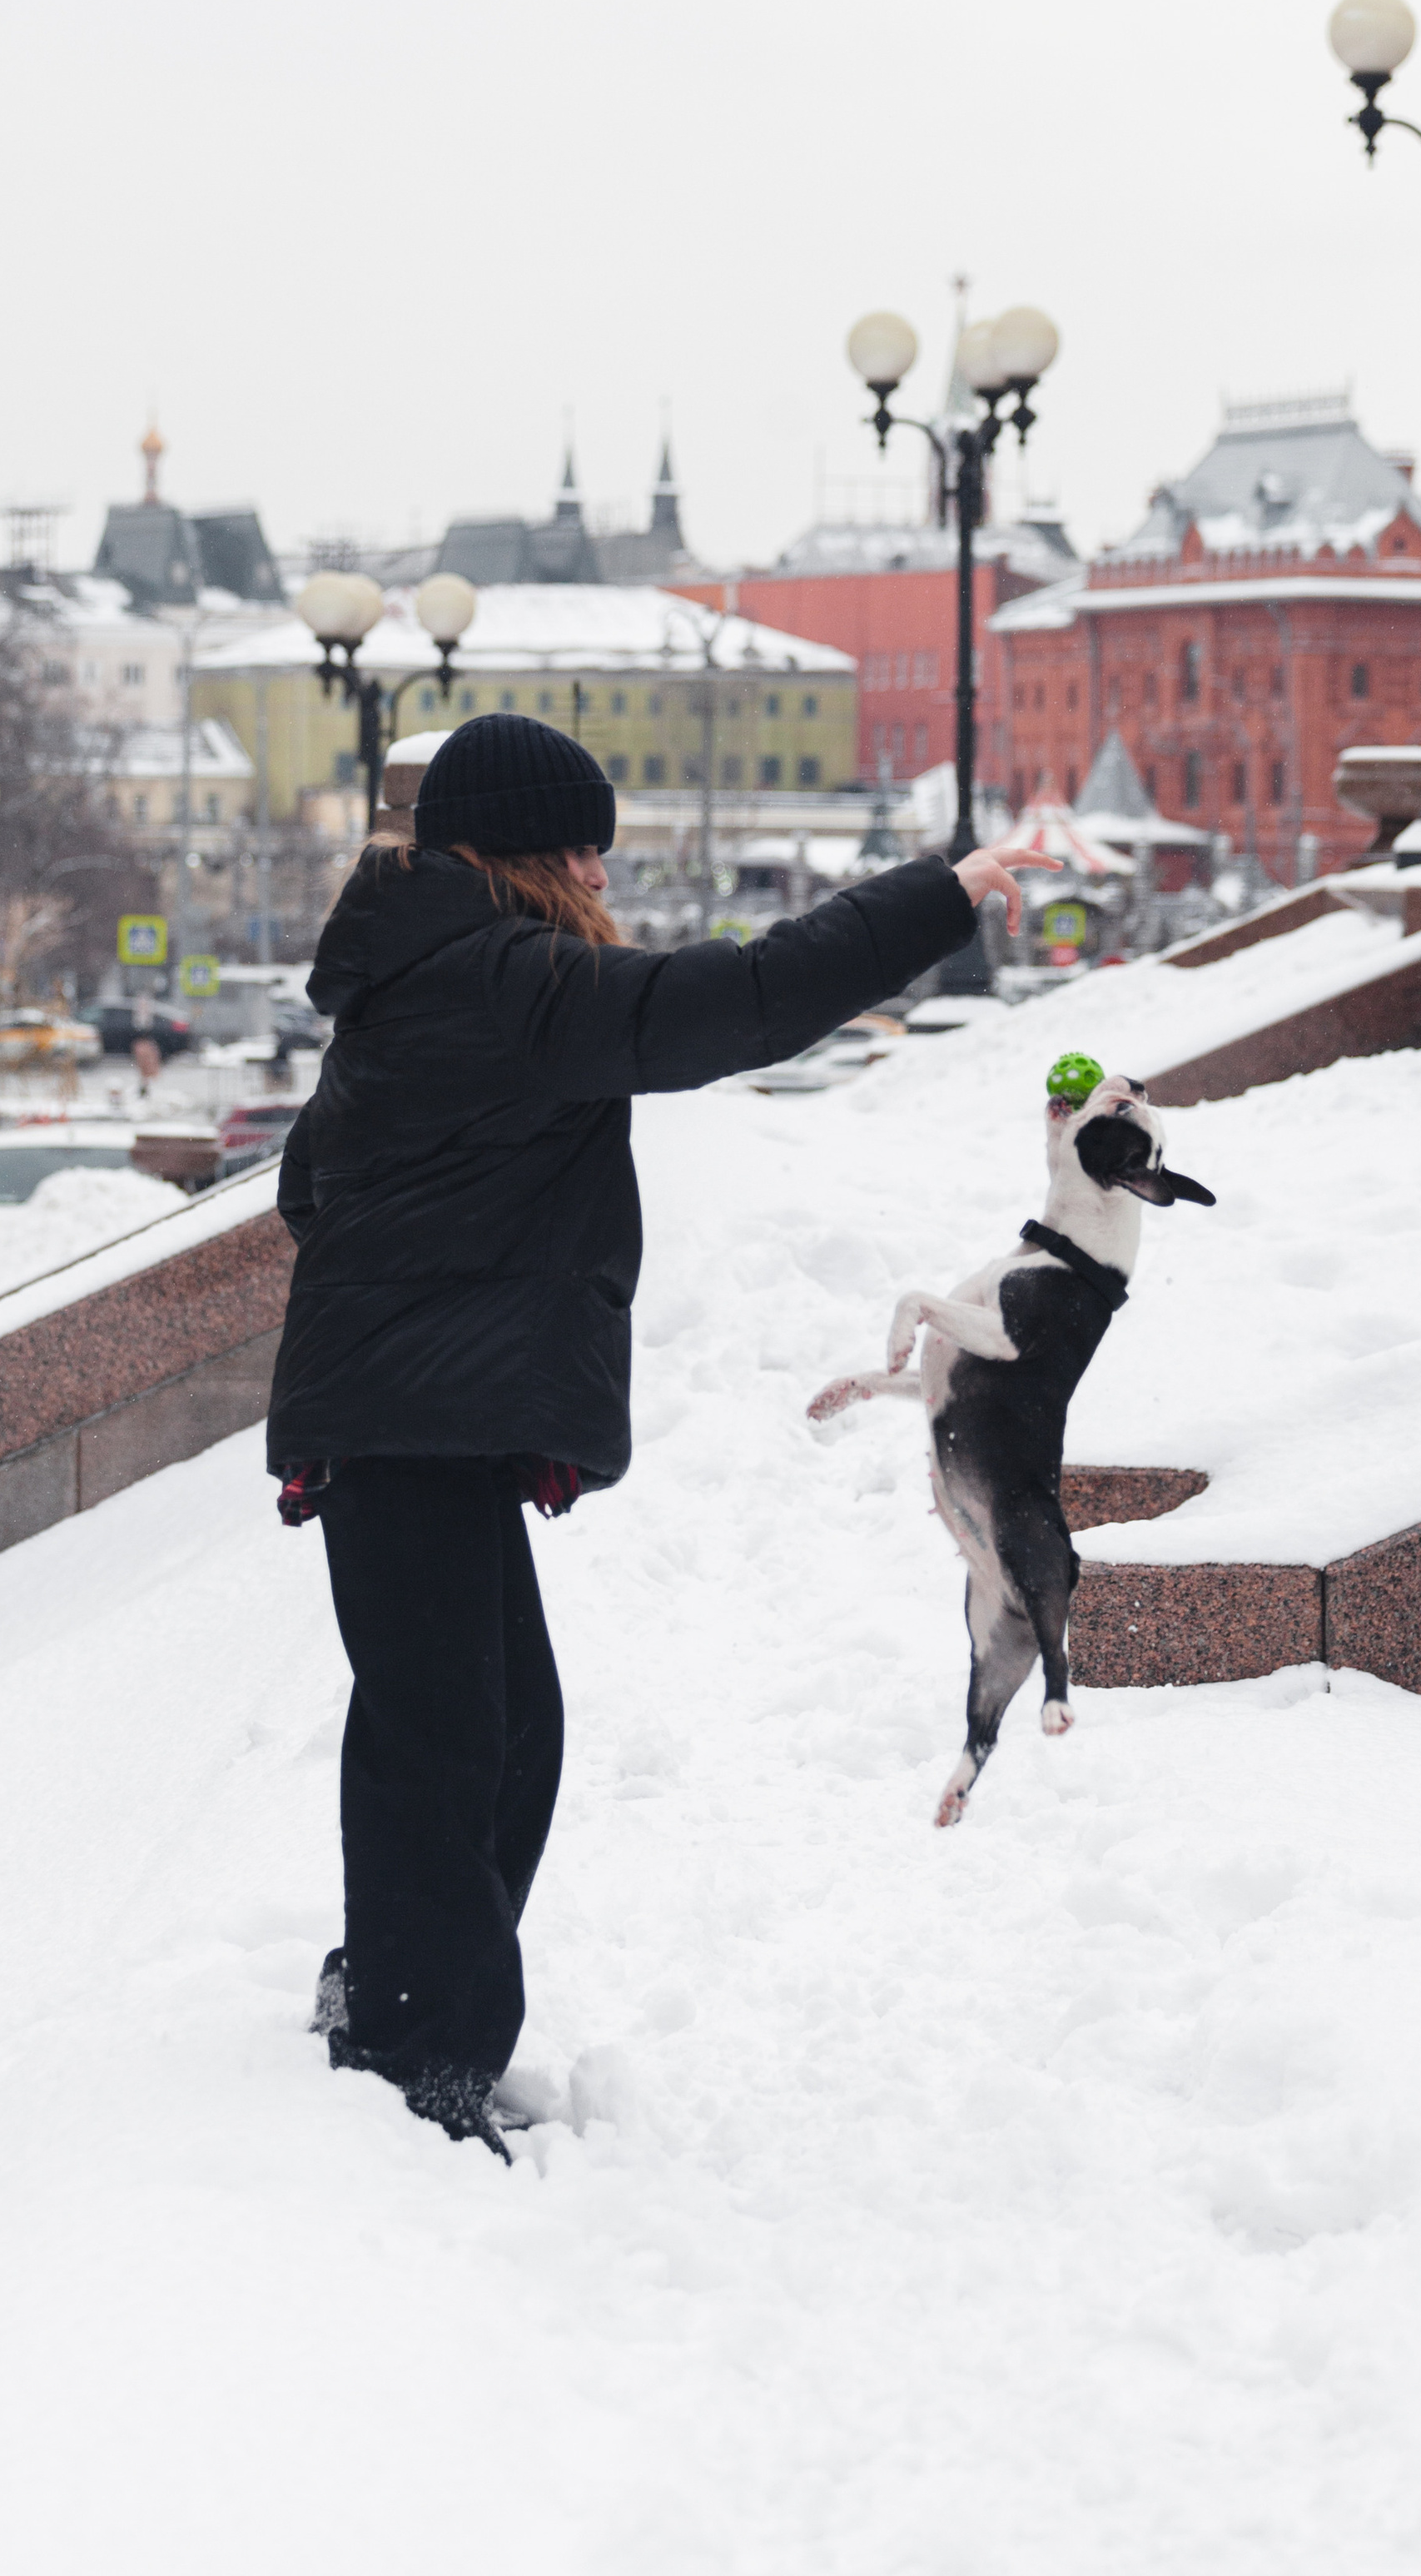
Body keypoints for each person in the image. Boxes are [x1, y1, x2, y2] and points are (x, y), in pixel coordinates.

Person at [268, 712, 1046, 2158]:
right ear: (514, 853)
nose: (600, 874)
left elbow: (310, 1183)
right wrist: (936, 897)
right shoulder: (499, 975)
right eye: (579, 848)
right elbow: (737, 1002)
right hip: (406, 1417)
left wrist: (425, 1278)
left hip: (406, 1414)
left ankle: (400, 2004)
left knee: (497, 1733)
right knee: (449, 1744)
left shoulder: (421, 967)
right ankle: (412, 2055)